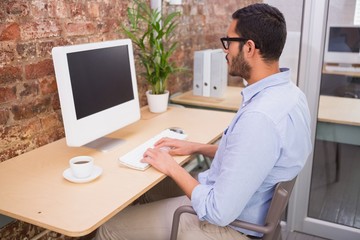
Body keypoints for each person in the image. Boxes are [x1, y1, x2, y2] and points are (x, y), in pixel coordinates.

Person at [95, 3, 312, 240]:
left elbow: (217, 212)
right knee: (151, 189)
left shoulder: (260, 118)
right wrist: (197, 147)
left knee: (109, 228)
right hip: (244, 205)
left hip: (229, 226)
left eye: (229, 42)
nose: (226, 51)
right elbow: (252, 156)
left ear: (249, 48)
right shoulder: (291, 95)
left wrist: (171, 166)